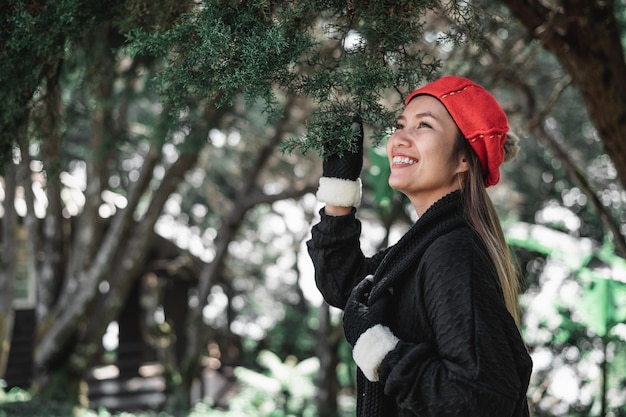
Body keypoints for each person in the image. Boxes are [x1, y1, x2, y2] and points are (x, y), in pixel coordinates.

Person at [307, 75, 533, 417]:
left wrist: (379, 351)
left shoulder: (453, 252)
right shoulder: (423, 248)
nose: (399, 137)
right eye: (400, 125)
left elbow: (479, 399)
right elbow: (345, 284)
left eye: (423, 125)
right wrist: (340, 188)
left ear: (463, 159)